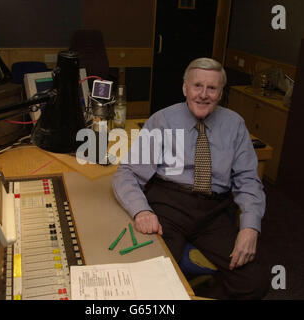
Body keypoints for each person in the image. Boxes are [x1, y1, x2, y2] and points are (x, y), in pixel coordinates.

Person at [112, 57, 270, 299]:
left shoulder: (235, 124)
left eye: (212, 88)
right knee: (152, 278)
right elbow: (128, 172)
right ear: (185, 88)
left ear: (220, 93)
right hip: (168, 205)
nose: (203, 94)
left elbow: (249, 181)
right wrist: (141, 211)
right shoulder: (162, 120)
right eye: (197, 86)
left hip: (213, 212)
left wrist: (249, 227)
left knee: (255, 280)